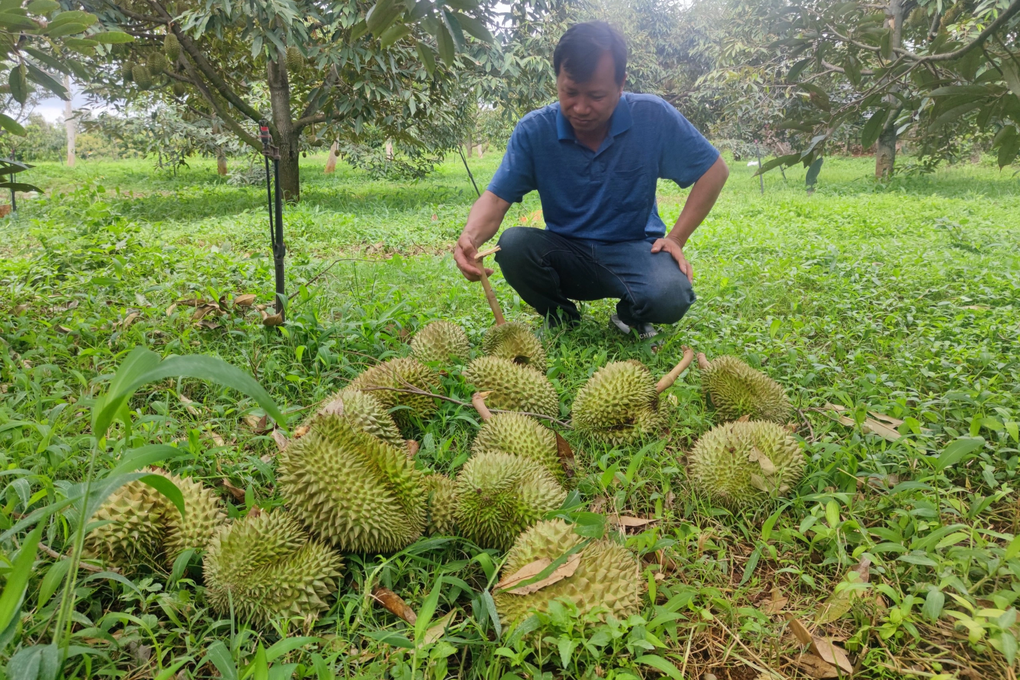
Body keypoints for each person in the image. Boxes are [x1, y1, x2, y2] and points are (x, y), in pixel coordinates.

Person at [453, 21, 729, 340]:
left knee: (671, 294)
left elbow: (714, 171)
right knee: (513, 245)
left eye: (596, 95)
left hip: (635, 249)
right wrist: (470, 237)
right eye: (570, 92)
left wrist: (676, 239)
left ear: (621, 83)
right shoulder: (535, 131)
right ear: (558, 79)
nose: (581, 108)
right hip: (566, 250)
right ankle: (561, 317)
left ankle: (629, 316)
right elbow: (497, 198)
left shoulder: (652, 117)